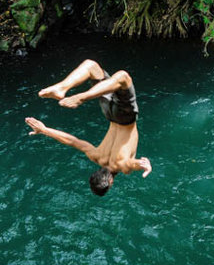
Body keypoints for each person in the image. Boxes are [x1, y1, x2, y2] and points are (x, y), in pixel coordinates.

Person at [25, 59, 151, 196]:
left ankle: (81, 97)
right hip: (109, 114)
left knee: (123, 77)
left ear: (110, 183)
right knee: (91, 67)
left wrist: (145, 166)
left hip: (125, 117)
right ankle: (62, 88)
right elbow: (72, 141)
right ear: (95, 174)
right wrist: (44, 130)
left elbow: (134, 164)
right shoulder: (95, 156)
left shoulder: (122, 166)